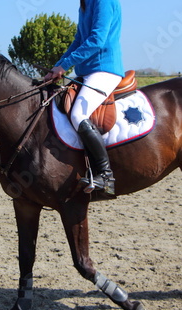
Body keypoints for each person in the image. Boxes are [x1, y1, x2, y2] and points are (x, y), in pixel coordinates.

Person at [45, 0, 124, 198]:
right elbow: (79, 40)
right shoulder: (85, 4)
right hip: (86, 72)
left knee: (79, 114)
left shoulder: (104, 1)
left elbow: (97, 39)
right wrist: (58, 66)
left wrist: (64, 67)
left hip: (104, 69)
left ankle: (106, 176)